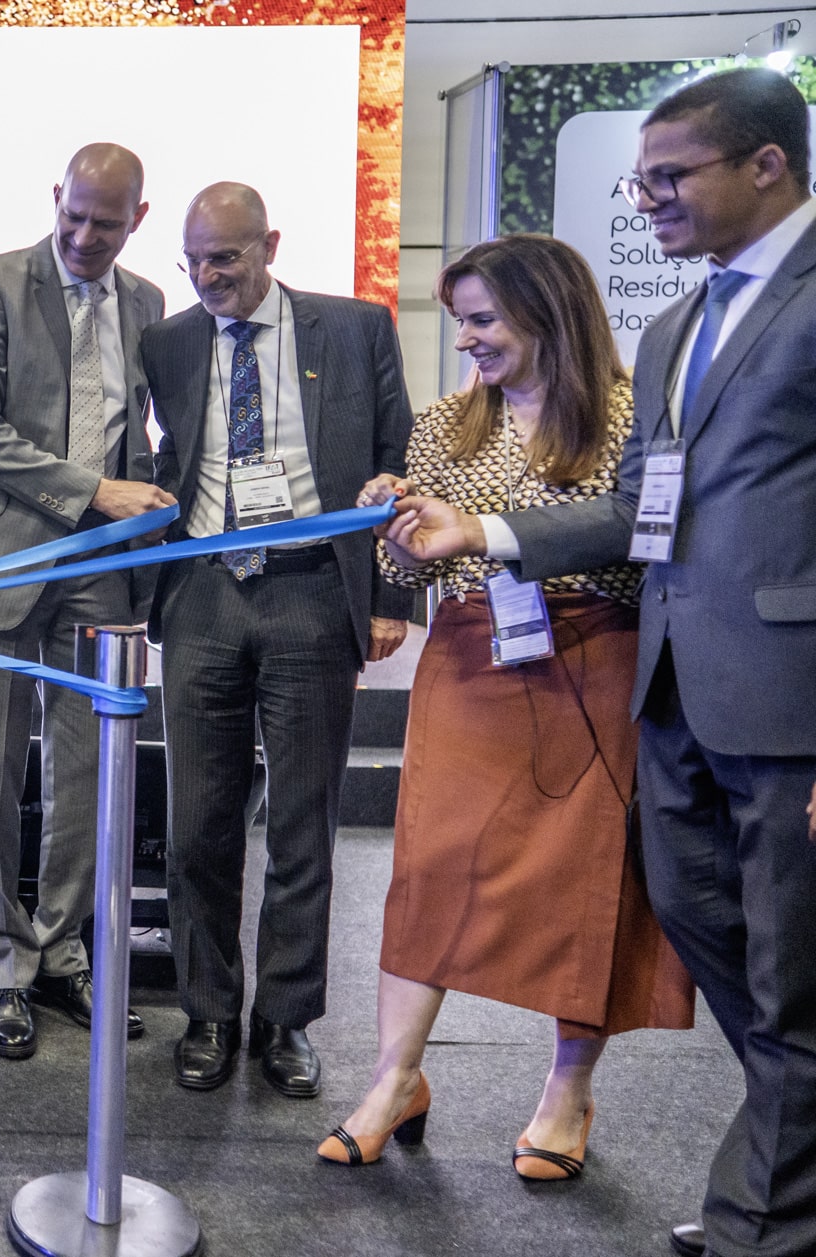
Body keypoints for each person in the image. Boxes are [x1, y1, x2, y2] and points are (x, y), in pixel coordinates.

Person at [382, 68, 816, 1257]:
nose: (647, 199)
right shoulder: (677, 326)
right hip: (672, 699)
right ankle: (778, 1189)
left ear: (765, 165)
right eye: (638, 182)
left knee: (791, 977)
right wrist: (480, 530)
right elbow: (637, 510)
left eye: (668, 176)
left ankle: (760, 1219)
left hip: (788, 707)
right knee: (714, 936)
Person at [322, 234, 692, 1173]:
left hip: (598, 656)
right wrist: (399, 531)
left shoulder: (633, 416)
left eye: (481, 319)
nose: (465, 341)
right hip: (470, 658)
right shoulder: (445, 423)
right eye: (459, 321)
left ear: (546, 312)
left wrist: (478, 532)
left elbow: (643, 532)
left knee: (587, 878)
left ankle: (567, 1096)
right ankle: (395, 1078)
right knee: (430, 867)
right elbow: (415, 565)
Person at [142, 182, 411, 1098]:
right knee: (196, 825)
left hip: (311, 592)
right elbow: (166, 460)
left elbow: (397, 460)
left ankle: (286, 1017)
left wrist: (390, 597)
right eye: (193, 261)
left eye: (224, 258)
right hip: (203, 595)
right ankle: (209, 1010)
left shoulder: (356, 327)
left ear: (271, 246)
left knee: (303, 824)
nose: (206, 276)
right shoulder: (169, 342)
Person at [0, 143, 170, 1060]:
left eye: (107, 222)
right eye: (74, 215)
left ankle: (62, 952)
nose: (85, 235)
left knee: (88, 773)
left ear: (139, 219)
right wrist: (95, 491)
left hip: (100, 564)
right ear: (56, 198)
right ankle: (2, 965)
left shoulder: (148, 302)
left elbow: (137, 432)